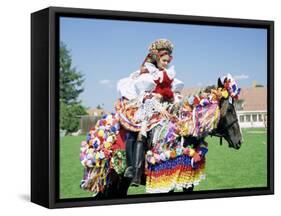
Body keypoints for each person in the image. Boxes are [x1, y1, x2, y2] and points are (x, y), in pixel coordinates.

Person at [116, 39, 184, 186]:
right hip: (148, 108)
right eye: (163, 60)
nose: (166, 63)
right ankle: (134, 171)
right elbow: (145, 95)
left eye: (168, 61)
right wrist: (158, 104)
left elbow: (174, 92)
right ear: (157, 58)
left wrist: (177, 101)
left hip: (166, 108)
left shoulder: (169, 74)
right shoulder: (147, 73)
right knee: (141, 131)